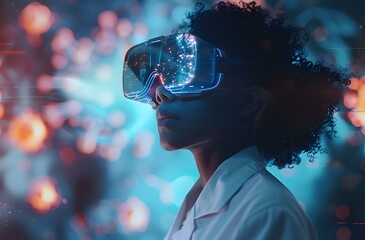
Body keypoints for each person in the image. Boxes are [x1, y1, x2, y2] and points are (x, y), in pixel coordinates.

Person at [122, 1, 349, 239]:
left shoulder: (268, 211)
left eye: (190, 75)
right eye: (163, 78)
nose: (161, 92)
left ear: (250, 101)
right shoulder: (193, 210)